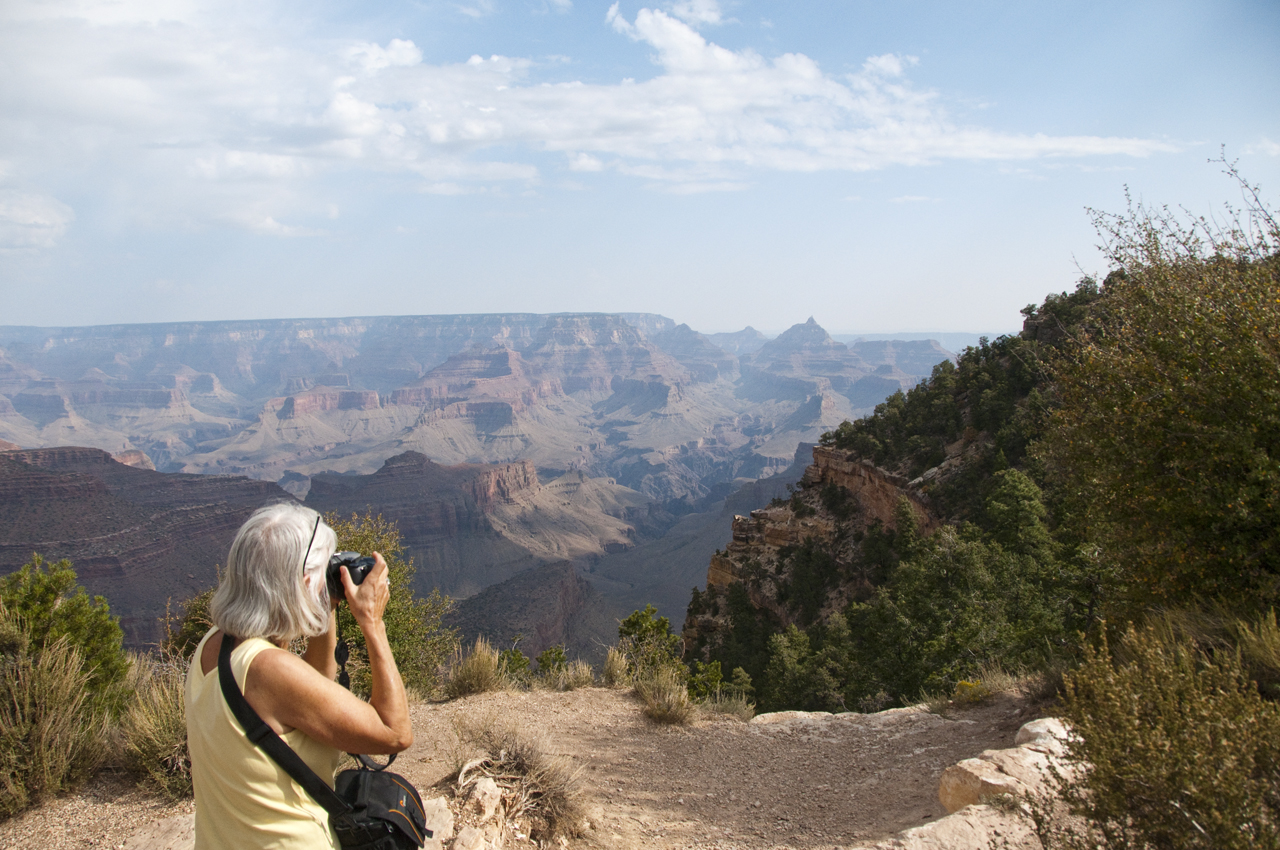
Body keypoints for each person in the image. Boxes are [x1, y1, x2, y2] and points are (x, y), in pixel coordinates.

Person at [185, 502, 413, 850]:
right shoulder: (268, 670)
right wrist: (373, 623)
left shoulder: (215, 646)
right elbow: (394, 733)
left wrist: (324, 604)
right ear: (307, 581)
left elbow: (315, 682)